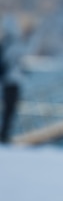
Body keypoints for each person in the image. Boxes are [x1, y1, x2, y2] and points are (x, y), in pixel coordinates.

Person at [0, 15, 24, 144]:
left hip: (11, 80)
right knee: (9, 109)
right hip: (11, 81)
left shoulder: (6, 43)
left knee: (10, 109)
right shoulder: (10, 43)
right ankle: (4, 135)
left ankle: (5, 134)